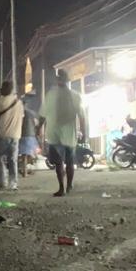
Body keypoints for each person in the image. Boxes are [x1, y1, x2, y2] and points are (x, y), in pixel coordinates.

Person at [37, 69, 86, 197]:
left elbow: (42, 115)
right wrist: (84, 133)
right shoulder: (75, 96)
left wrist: (38, 128)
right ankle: (68, 186)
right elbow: (82, 117)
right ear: (68, 80)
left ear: (57, 80)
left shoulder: (50, 95)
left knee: (59, 163)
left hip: (54, 135)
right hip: (69, 135)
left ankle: (62, 188)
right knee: (69, 162)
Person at [0, 81, 23, 190]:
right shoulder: (19, 102)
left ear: (4, 89)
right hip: (16, 135)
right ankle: (13, 184)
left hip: (2, 135)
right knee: (13, 160)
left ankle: (2, 182)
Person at [18, 95, 40, 177]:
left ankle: (24, 170)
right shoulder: (31, 113)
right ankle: (25, 171)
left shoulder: (19, 113)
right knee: (29, 154)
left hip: (21, 135)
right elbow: (36, 123)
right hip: (30, 135)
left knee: (24, 155)